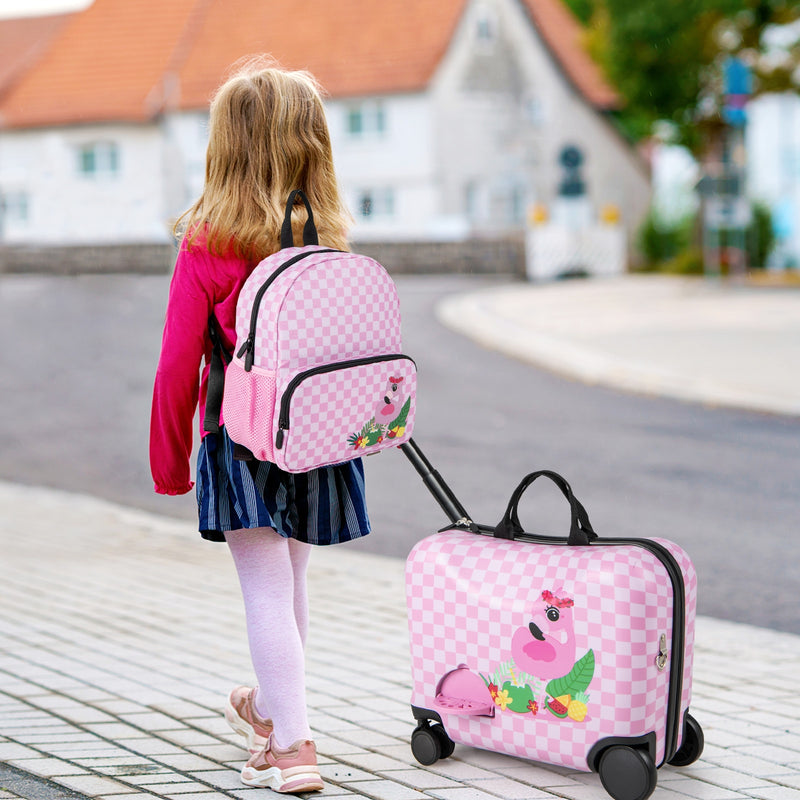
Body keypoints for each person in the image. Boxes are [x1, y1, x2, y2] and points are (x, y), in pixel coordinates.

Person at [149, 58, 371, 794]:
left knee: (265, 591)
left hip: (240, 439)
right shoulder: (328, 237)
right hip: (318, 436)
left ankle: (295, 746)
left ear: (225, 147)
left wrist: (170, 459)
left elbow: (179, 362)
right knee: (292, 582)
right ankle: (273, 718)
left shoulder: (210, 242)